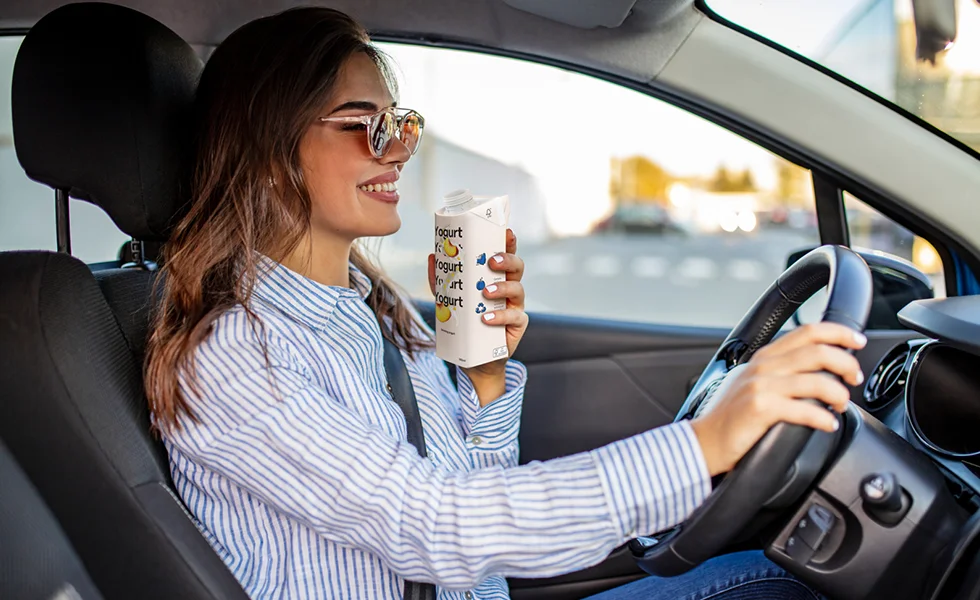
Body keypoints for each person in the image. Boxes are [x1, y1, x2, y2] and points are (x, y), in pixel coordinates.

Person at [144, 7, 865, 600]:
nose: (398, 151)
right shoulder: (237, 357)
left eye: (404, 124)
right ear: (272, 149)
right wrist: (706, 445)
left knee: (776, 578)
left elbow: (472, 529)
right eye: (367, 124)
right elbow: (435, 526)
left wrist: (485, 382)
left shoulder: (374, 312)